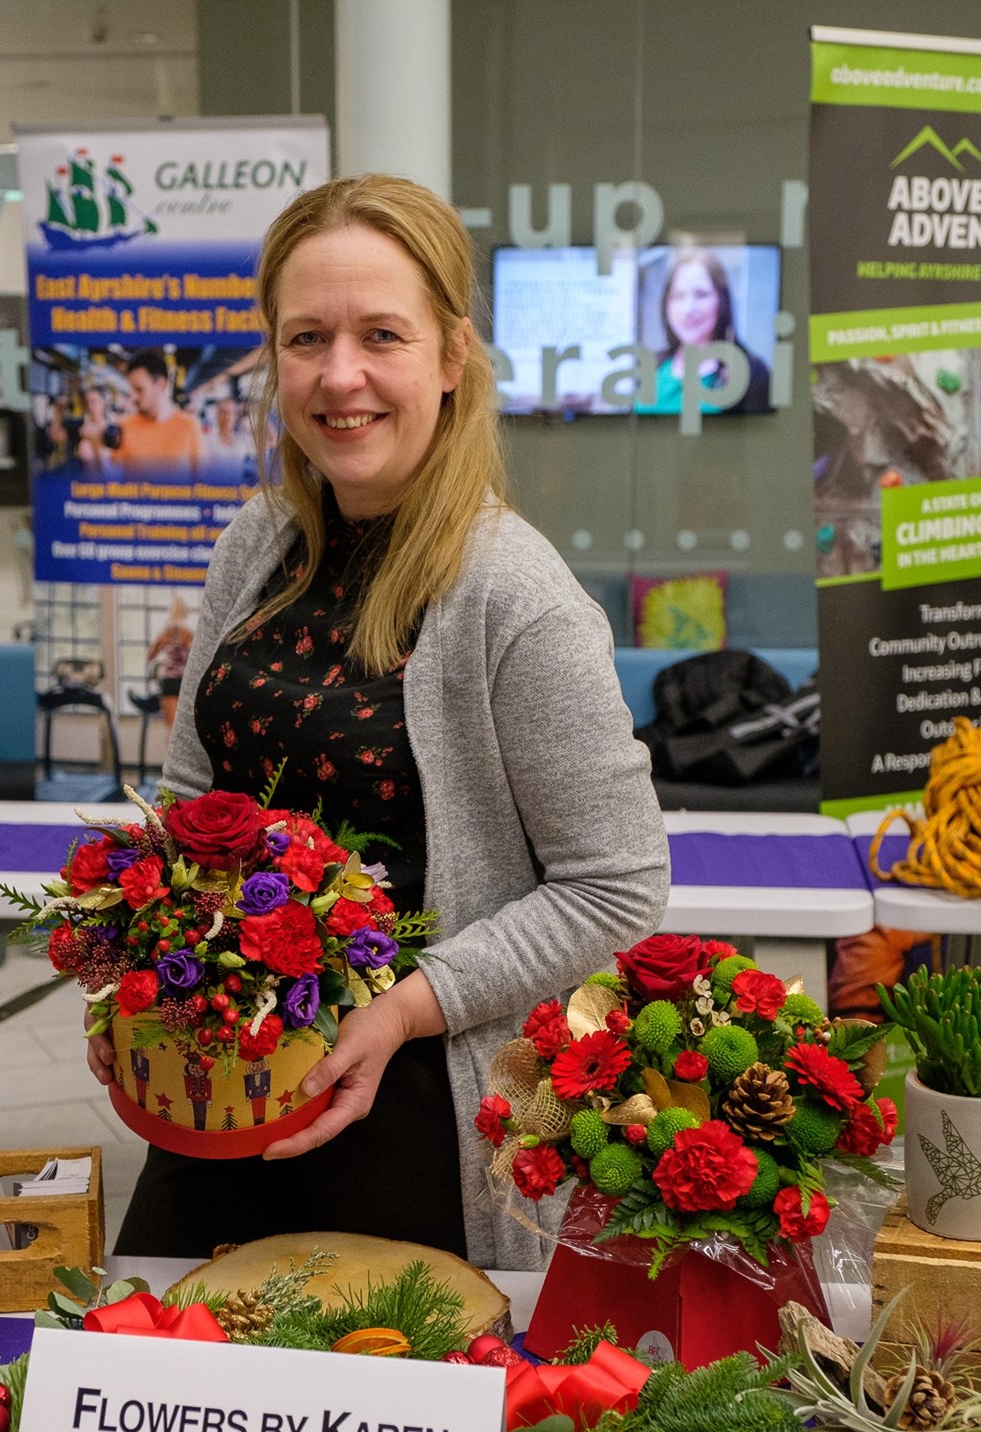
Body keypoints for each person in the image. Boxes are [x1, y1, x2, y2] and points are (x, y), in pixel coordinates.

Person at [89, 173, 669, 1269]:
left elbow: (620, 882)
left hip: (409, 1113)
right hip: (219, 1087)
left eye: (381, 335)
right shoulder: (255, 546)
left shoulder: (516, 598)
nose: (338, 375)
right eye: (306, 337)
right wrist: (138, 978)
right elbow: (188, 799)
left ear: (451, 358)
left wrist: (406, 1009)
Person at [638, 249, 770, 415]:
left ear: (721, 300)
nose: (688, 309)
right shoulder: (650, 366)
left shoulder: (752, 373)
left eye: (701, 295)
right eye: (678, 296)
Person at [108, 349, 201, 478]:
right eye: (132, 390)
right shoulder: (123, 427)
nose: (133, 397)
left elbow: (201, 482)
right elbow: (112, 478)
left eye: (139, 389)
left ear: (161, 385)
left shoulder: (189, 427)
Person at [147, 596, 195, 730]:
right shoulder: (189, 633)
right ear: (186, 612)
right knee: (185, 730)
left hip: (170, 681)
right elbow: (197, 658)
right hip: (186, 681)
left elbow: (150, 656)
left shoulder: (164, 633)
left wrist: (163, 644)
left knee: (171, 730)